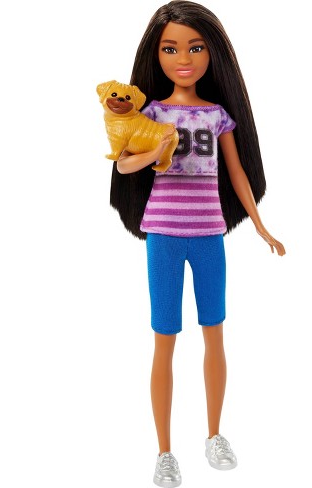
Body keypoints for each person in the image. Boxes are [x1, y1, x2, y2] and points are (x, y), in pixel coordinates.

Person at [108, 1, 285, 486]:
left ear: (212, 54)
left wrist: (260, 224)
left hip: (209, 234)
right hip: (163, 235)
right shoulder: (151, 112)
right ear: (156, 54)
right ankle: (164, 451)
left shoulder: (217, 115)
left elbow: (237, 172)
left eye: (195, 47)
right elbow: (123, 164)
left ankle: (214, 434)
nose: (183, 58)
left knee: (214, 332)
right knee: (164, 338)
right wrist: (155, 150)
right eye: (170, 49)